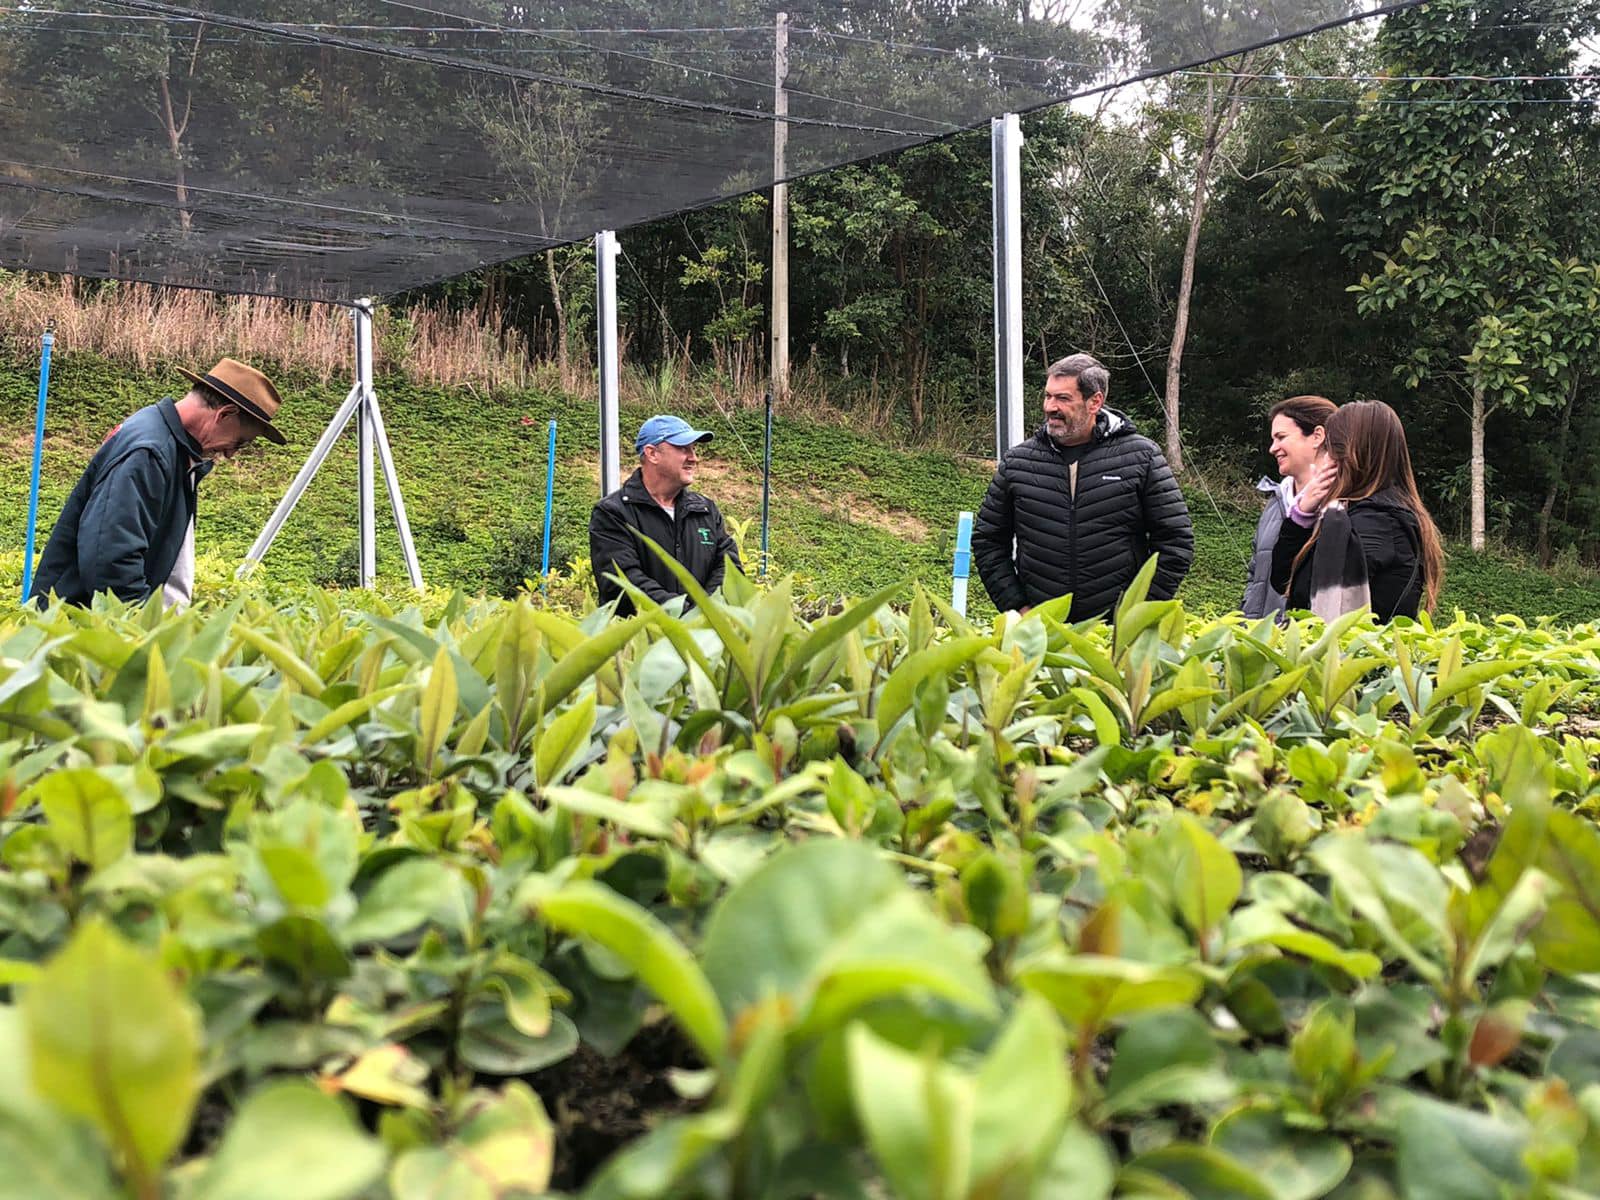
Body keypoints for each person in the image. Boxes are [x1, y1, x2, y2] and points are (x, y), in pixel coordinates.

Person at [28, 357, 287, 609]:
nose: (231, 454)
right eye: (239, 442)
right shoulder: (149, 451)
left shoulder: (170, 446)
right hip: (86, 632)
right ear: (225, 414)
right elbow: (110, 560)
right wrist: (142, 629)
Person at [973, 352, 1194, 621]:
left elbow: (1176, 541)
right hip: (1042, 631)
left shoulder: (1141, 456)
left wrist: (1138, 613)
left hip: (1114, 637)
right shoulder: (1018, 462)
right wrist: (1019, 608)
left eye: (1063, 398)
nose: (1050, 407)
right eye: (1048, 396)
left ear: (1095, 402)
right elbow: (988, 540)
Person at [1270, 400, 1443, 622]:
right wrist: (1302, 515)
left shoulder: (1371, 523)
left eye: (1329, 450)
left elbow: (1317, 608)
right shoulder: (1370, 515)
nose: (1323, 460)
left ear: (1347, 456)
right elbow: (1285, 580)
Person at [589, 414, 741, 616]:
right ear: (652, 454)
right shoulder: (614, 513)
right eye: (683, 448)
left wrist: (703, 615)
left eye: (694, 449)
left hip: (701, 641)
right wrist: (686, 615)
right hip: (642, 641)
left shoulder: (704, 510)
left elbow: (729, 568)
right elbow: (623, 581)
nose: (693, 457)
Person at [1243, 395, 1337, 618]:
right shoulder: (1275, 502)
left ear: (1317, 436)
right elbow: (1255, 573)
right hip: (1260, 641)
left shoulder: (1343, 504)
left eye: (1281, 437)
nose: (1273, 448)